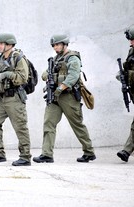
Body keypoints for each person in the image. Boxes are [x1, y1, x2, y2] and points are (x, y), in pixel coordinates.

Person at [33, 34, 96, 163]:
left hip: (68, 97)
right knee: (48, 123)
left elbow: (73, 76)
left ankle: (89, 152)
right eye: (54, 45)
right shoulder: (55, 59)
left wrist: (60, 88)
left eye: (57, 45)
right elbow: (45, 74)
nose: (55, 47)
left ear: (64, 44)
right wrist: (50, 76)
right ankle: (47, 154)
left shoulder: (72, 58)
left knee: (77, 124)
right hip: (54, 97)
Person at [0, 33, 32, 166]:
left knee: (20, 126)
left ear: (9, 44)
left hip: (14, 98)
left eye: (0, 43)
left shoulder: (18, 58)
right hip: (1, 98)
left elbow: (23, 78)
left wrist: (7, 74)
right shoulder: (0, 58)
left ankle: (25, 156)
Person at [117, 26, 134, 162]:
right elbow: (128, 68)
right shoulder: (131, 51)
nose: (131, 43)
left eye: (133, 40)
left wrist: (129, 76)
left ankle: (126, 151)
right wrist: (122, 75)